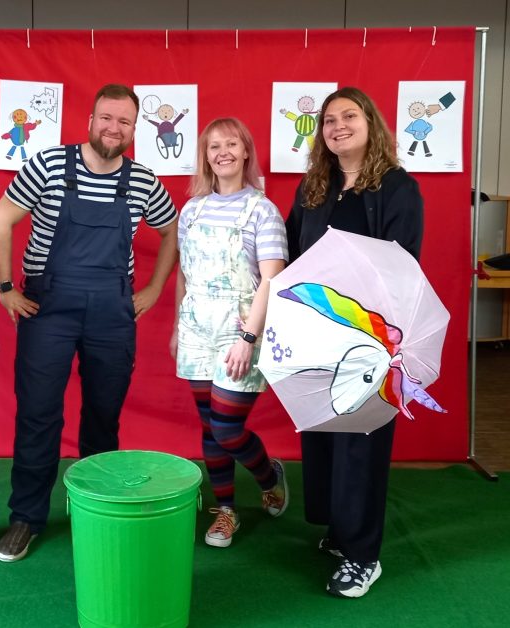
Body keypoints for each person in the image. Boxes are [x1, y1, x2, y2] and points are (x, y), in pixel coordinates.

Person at [0, 83, 178, 562]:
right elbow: (0, 220)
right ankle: (26, 517)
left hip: (112, 313)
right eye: (105, 118)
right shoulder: (49, 165)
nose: (113, 129)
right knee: (38, 415)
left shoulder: (141, 180)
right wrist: (6, 287)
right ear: (90, 121)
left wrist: (155, 288)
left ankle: (94, 511)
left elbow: (175, 227)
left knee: (102, 416)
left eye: (124, 122)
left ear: (135, 129)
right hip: (48, 307)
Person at [285, 87, 423, 598]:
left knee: (361, 443)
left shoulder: (396, 187)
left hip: (368, 338)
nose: (338, 125)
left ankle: (365, 555)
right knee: (323, 437)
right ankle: (341, 531)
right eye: (328, 120)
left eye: (349, 116)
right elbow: (292, 254)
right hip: (315, 335)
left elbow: (401, 266)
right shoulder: (314, 188)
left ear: (371, 123)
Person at [169, 117, 289, 549]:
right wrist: (178, 328)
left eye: (231, 144)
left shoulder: (263, 210)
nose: (222, 152)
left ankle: (268, 475)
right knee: (208, 426)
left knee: (226, 427)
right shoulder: (192, 210)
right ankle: (226, 510)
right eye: (213, 145)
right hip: (197, 329)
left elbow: (273, 280)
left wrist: (249, 339)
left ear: (245, 152)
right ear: (206, 156)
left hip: (240, 330)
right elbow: (185, 273)